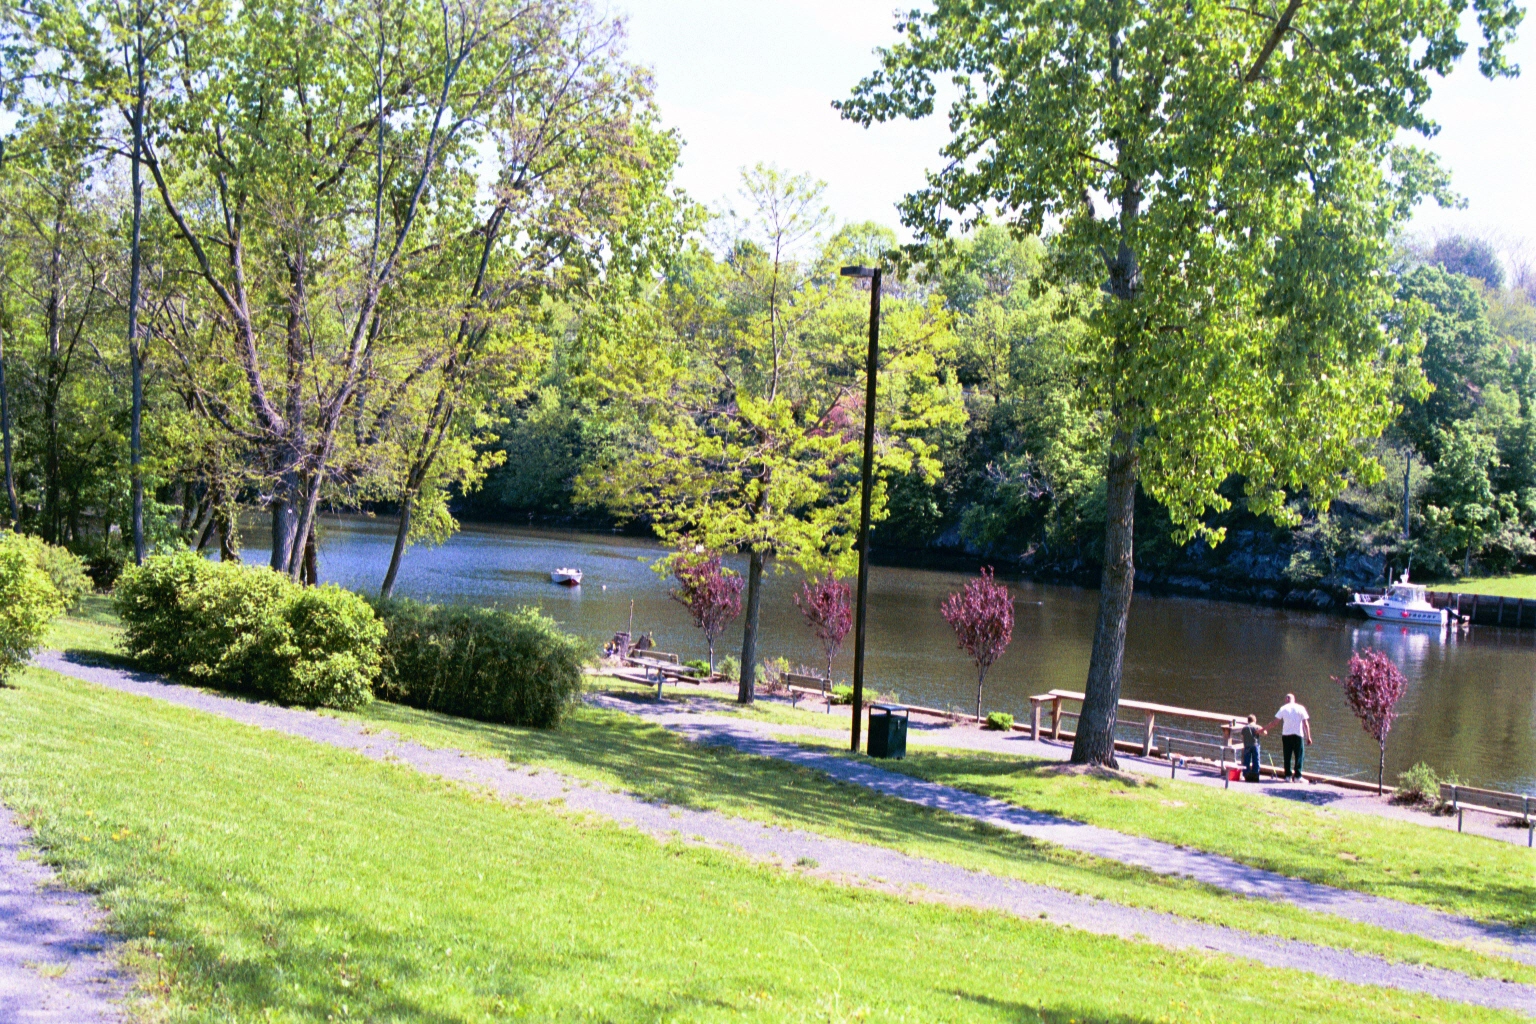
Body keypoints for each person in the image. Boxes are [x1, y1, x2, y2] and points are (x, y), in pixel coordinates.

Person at [1266, 693, 1312, 782]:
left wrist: (1264, 729)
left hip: (1286, 735)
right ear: (1293, 699)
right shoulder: (1300, 708)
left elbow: (1275, 722)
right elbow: (1305, 724)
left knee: (1287, 756)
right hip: (1298, 735)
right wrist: (1308, 737)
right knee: (1299, 756)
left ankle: (1288, 776)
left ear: (1287, 699)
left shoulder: (1283, 708)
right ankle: (1298, 776)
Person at [1240, 714, 1264, 782]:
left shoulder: (1244, 728)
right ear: (1255, 720)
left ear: (1248, 720)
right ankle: (1255, 775)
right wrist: (1260, 729)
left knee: (1246, 760)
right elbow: (1265, 733)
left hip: (1247, 745)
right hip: (1255, 745)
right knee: (1256, 760)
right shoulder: (1257, 727)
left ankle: (1246, 775)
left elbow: (1242, 736)